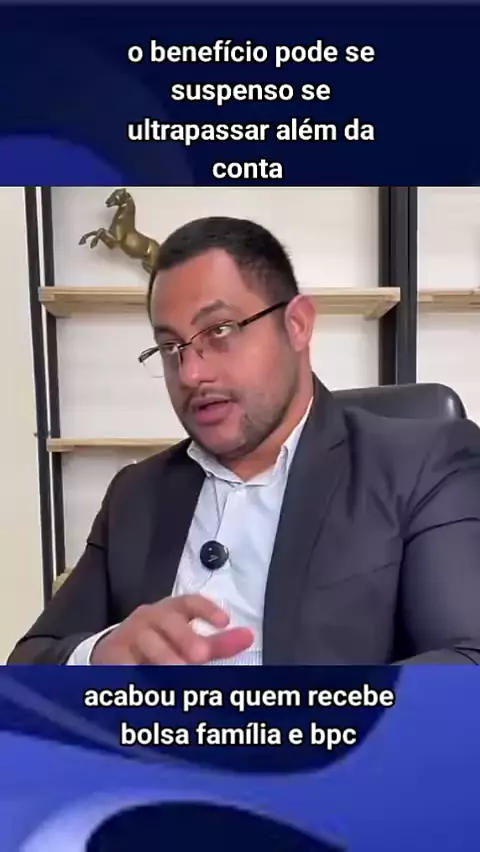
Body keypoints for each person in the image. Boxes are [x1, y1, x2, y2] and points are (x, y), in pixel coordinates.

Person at [8, 216, 480, 666]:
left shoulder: (423, 463)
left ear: (297, 324)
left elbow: (466, 662)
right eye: (171, 347)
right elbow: (30, 663)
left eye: (220, 331)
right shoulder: (135, 494)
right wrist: (101, 654)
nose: (191, 373)